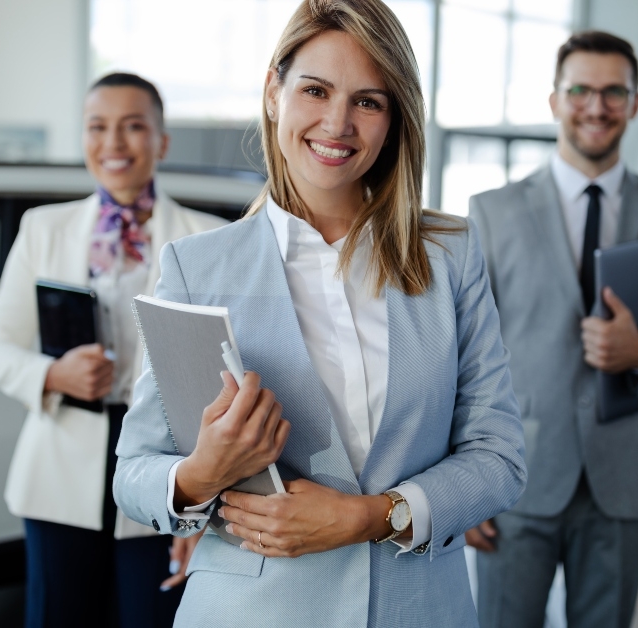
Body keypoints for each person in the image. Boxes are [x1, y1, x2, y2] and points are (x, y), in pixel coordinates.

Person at [112, 1, 527, 626]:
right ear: (273, 93)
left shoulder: (450, 256)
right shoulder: (197, 267)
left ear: (394, 120)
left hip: (414, 609)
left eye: (368, 100)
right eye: (315, 90)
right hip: (251, 611)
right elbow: (135, 472)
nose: (338, 124)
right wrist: (200, 475)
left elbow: (499, 456)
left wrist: (371, 516)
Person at [466, 31, 638, 628]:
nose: (597, 107)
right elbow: (458, 358)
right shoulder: (493, 212)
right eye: (582, 91)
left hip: (626, 481)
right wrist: (460, 485)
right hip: (516, 479)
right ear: (554, 100)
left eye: (614, 92)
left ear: (635, 103)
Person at [0, 73, 229, 628]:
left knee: (151, 615)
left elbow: (221, 378)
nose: (114, 142)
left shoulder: (206, 240)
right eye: (98, 127)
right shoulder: (43, 229)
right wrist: (52, 375)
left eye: (133, 126)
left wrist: (208, 499)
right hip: (60, 470)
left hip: (169, 474)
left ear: (161, 142)